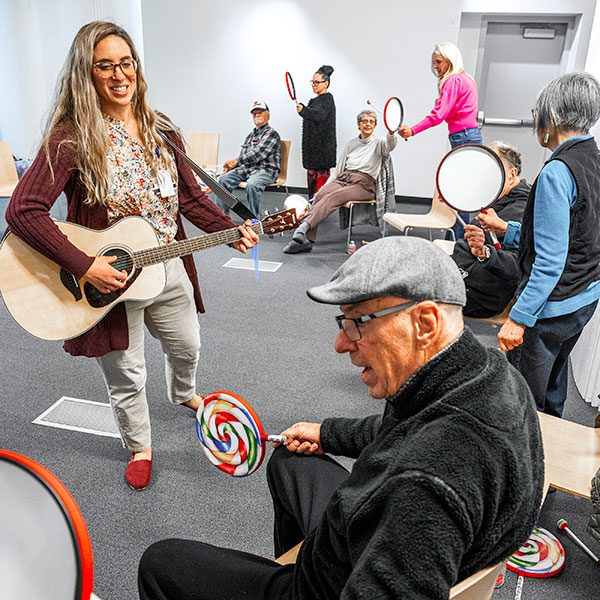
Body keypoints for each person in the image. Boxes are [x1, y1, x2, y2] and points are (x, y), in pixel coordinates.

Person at [138, 236, 544, 600]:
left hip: (342, 576)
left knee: (161, 562)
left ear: (424, 323)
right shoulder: (480, 372)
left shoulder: (428, 482)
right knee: (291, 461)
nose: (339, 344)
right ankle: (292, 567)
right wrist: (326, 433)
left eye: (357, 323)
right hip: (364, 534)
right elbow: (399, 432)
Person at [5, 21, 258, 491]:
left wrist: (229, 229)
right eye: (105, 65)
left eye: (126, 62)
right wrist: (85, 265)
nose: (119, 74)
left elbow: (189, 197)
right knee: (127, 372)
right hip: (111, 277)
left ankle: (184, 394)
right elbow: (23, 209)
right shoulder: (72, 136)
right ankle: (140, 445)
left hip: (169, 261)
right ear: (87, 73)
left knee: (188, 345)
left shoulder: (163, 130)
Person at [479, 72, 600, 418]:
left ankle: (526, 464)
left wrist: (519, 318)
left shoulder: (556, 173)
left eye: (537, 113)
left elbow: (549, 261)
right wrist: (508, 230)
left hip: (550, 307)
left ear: (553, 117)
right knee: (552, 387)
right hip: (584, 298)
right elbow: (578, 233)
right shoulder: (594, 159)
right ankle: (550, 448)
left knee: (522, 402)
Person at [283, 109, 396, 253]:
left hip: (364, 185)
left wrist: (392, 132)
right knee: (321, 195)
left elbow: (390, 145)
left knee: (333, 197)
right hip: (345, 178)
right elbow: (338, 171)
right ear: (358, 124)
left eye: (371, 122)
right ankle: (307, 241)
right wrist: (323, 187)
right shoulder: (351, 144)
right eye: (364, 121)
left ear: (375, 125)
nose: (368, 124)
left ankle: (302, 228)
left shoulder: (379, 143)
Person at [398, 42, 481, 238]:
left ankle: (457, 243)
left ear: (449, 61)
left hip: (463, 137)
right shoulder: (466, 79)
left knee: (460, 195)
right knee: (463, 195)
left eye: (439, 62)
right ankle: (456, 240)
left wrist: (412, 130)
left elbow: (438, 116)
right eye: (434, 63)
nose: (435, 67)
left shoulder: (452, 81)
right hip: (469, 136)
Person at [451, 141, 530, 317]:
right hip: (464, 279)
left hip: (479, 296)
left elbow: (515, 267)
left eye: (491, 169)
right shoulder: (499, 200)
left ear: (511, 175)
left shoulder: (521, 210)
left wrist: (484, 253)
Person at [212, 101, 281, 217]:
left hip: (265, 171)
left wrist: (237, 161)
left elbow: (258, 153)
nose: (257, 115)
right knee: (222, 180)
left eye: (260, 112)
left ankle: (253, 220)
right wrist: (232, 166)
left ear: (268, 115)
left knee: (252, 184)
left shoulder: (272, 134)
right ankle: (221, 218)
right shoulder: (250, 136)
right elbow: (244, 156)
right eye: (254, 114)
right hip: (247, 170)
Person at [296, 65, 336, 199]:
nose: (314, 85)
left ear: (326, 84)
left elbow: (319, 115)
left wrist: (303, 110)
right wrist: (305, 110)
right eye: (312, 82)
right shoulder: (314, 100)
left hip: (322, 153)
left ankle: (317, 211)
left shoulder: (327, 99)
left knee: (320, 189)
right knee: (312, 188)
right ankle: (312, 210)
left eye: (317, 82)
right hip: (313, 153)